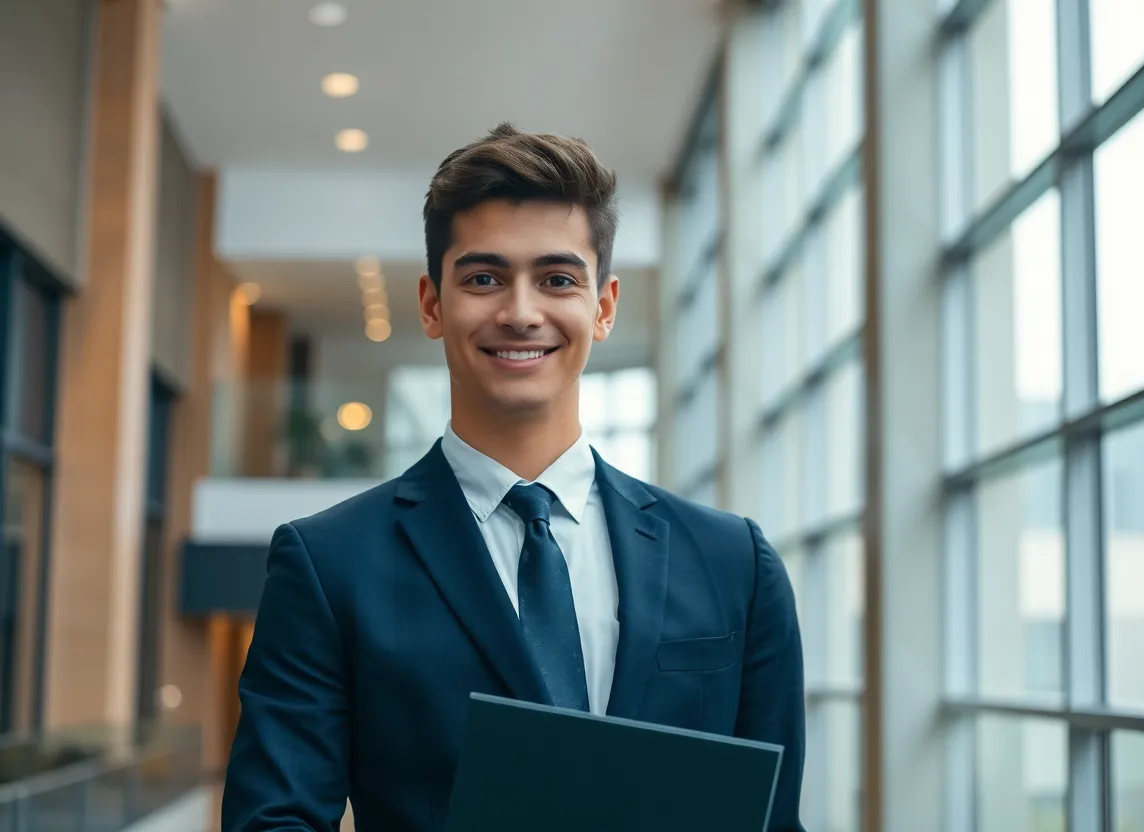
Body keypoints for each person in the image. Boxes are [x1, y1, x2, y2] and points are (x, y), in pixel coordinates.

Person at [221, 123, 806, 831]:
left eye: (557, 279)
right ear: (433, 304)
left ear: (604, 305)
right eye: (484, 277)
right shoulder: (329, 563)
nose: (521, 312)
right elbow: (272, 823)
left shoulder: (732, 562)